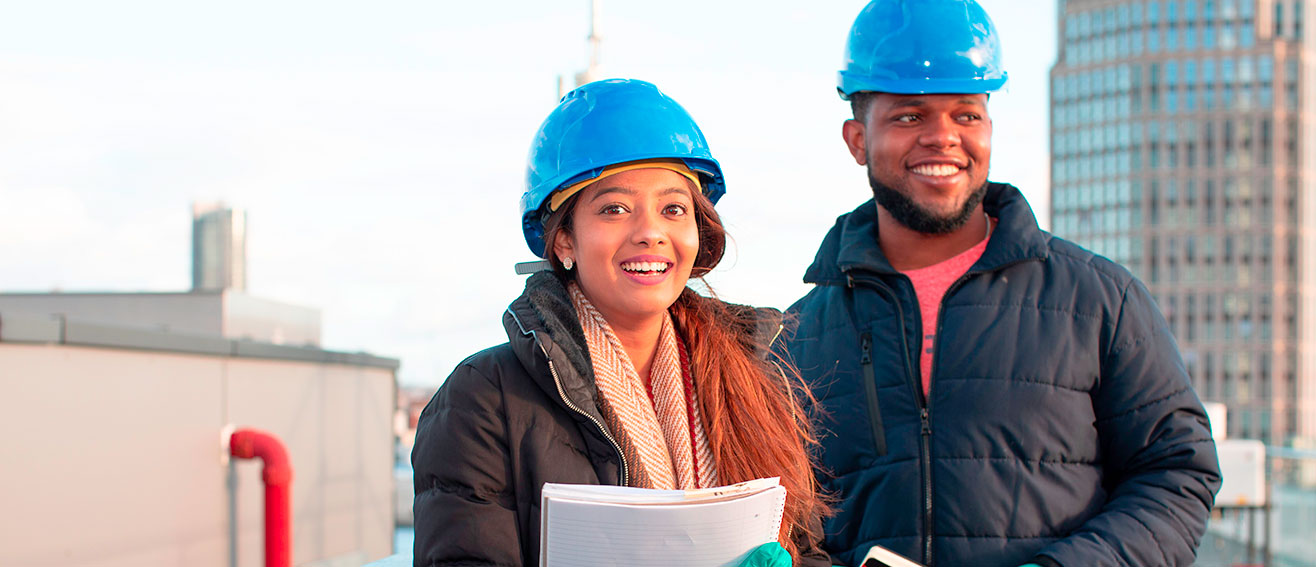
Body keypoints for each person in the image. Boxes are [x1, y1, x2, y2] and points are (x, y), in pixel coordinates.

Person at [778, 1, 1222, 566]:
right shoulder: (795, 338)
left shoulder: (1101, 300)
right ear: (858, 140)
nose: (943, 138)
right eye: (909, 116)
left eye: (966, 115)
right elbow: (785, 519)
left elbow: (1177, 473)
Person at [411, 78, 829, 567]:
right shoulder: (484, 399)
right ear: (564, 240)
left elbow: (810, 549)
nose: (650, 232)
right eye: (615, 209)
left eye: (673, 208)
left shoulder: (752, 383)